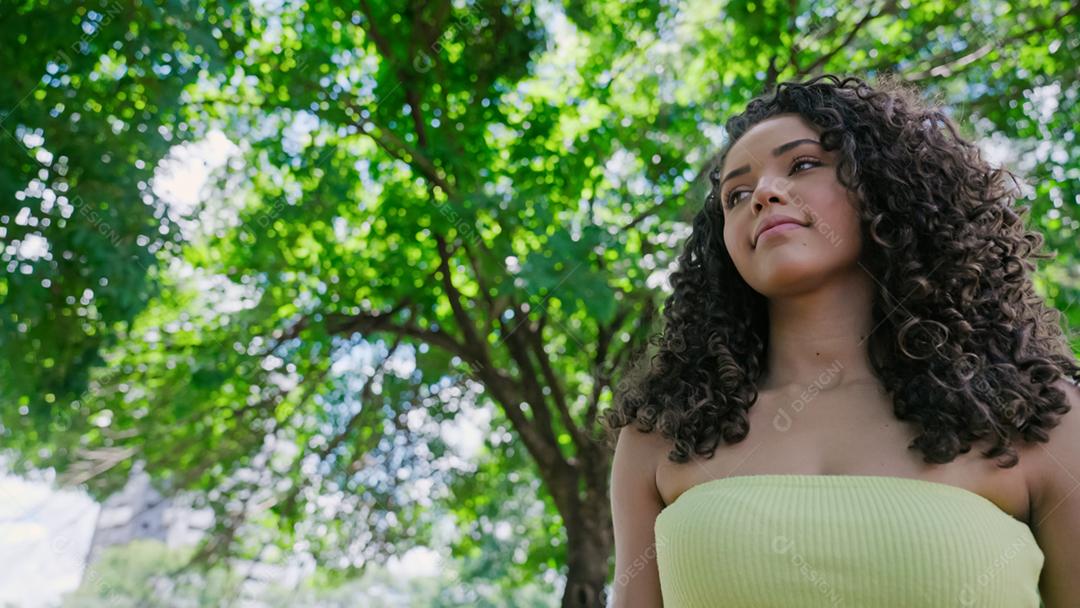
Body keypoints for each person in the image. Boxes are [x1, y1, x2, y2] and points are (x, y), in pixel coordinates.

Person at [604, 73, 1080, 607]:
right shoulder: (663, 434)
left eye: (803, 164)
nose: (762, 193)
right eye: (736, 194)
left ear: (887, 188)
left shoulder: (1038, 416)